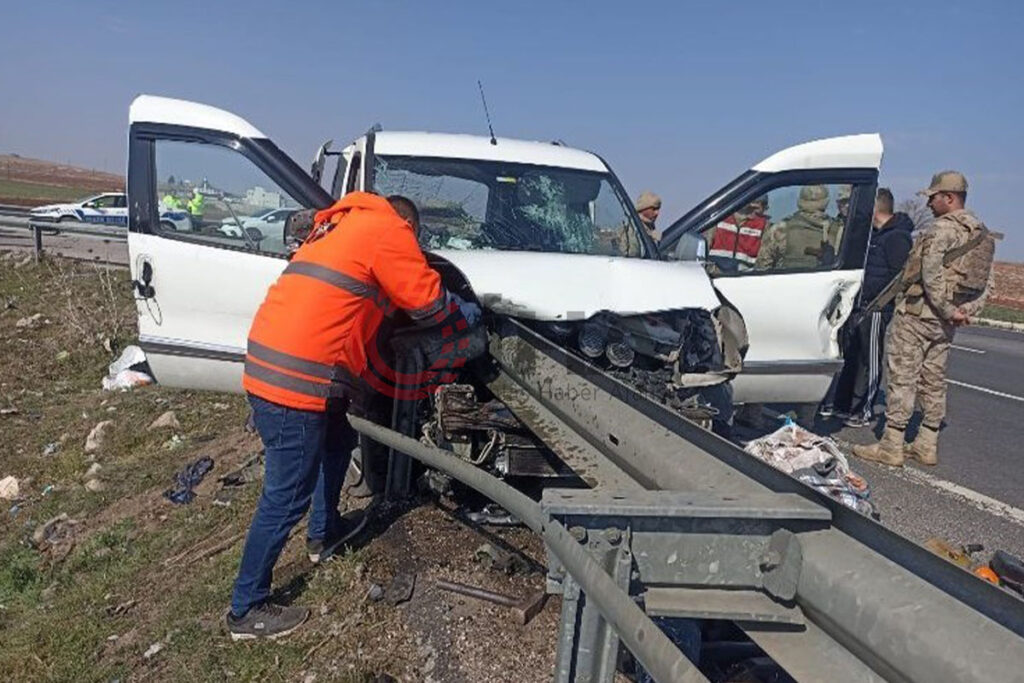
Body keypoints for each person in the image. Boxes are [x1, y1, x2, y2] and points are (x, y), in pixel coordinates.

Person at [226, 192, 462, 640]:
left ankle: (325, 533)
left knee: (338, 441)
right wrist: (462, 317)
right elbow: (428, 302)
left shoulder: (344, 226)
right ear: (408, 228)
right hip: (294, 380)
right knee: (286, 494)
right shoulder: (387, 231)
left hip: (280, 363)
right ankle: (246, 607)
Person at [853, 172, 995, 467]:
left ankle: (892, 445)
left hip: (918, 315)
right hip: (946, 323)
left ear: (950, 198)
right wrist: (963, 312)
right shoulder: (981, 234)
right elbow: (986, 282)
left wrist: (945, 308)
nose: (929, 203)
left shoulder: (940, 230)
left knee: (903, 377)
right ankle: (927, 444)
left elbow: (929, 275)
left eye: (934, 197)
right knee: (934, 379)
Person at [821, 188, 913, 426]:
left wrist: (876, 301)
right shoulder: (875, 235)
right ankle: (843, 404)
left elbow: (897, 278)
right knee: (851, 356)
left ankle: (863, 409)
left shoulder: (897, 238)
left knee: (869, 360)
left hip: (876, 308)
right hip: (859, 305)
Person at [756, 185, 840, 270]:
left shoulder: (781, 228)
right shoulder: (840, 230)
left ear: (799, 201)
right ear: (826, 202)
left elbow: (762, 267)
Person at [707, 196, 770, 272]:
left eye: (758, 207)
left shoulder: (764, 227)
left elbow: (765, 262)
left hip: (745, 279)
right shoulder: (718, 219)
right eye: (751, 207)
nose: (754, 211)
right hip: (715, 276)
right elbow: (702, 253)